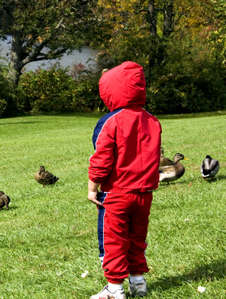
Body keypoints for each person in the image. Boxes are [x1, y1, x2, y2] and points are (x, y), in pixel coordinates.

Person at [87, 61, 161, 299]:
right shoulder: (152, 120)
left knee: (115, 239)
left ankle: (114, 288)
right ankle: (138, 282)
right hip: (144, 194)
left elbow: (101, 159)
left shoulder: (111, 121)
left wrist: (92, 187)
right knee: (137, 238)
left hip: (117, 193)